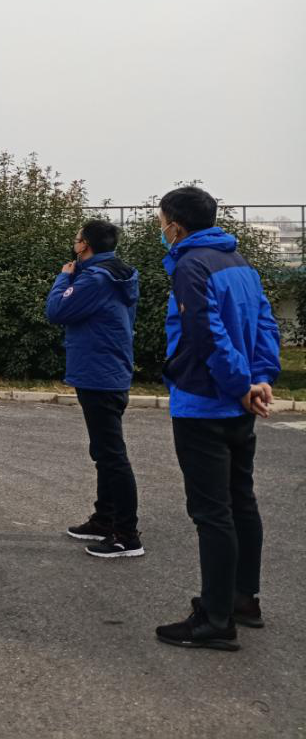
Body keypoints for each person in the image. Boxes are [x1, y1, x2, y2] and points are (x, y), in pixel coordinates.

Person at [153, 186, 281, 651]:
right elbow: (265, 323)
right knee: (240, 501)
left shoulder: (192, 265)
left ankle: (215, 617)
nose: (161, 229)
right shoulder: (239, 262)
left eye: (161, 221)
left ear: (176, 226)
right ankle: (243, 599)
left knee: (212, 512)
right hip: (238, 404)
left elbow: (206, 333)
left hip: (204, 402)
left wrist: (240, 384)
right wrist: (260, 378)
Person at [45, 219, 143, 559]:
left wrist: (64, 277)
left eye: (76, 238)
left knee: (111, 455)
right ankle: (104, 519)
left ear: (84, 245)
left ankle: (126, 535)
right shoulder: (120, 274)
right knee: (104, 451)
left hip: (98, 375)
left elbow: (56, 310)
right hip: (110, 370)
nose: (74, 243)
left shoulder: (95, 279)